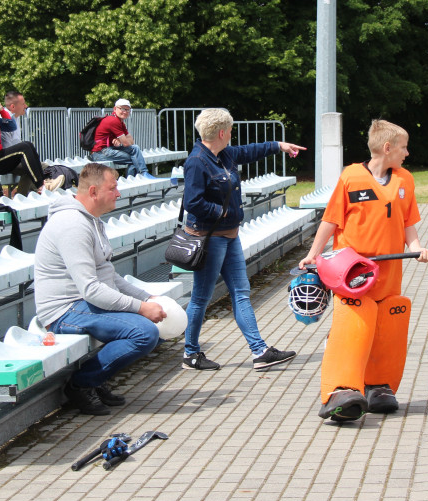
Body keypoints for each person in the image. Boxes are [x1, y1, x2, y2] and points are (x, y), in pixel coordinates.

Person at [299, 119, 428, 422]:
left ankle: (378, 386)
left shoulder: (405, 181)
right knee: (353, 327)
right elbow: (330, 220)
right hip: (353, 274)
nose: (407, 153)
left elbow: (408, 224)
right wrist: (313, 255)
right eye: (403, 148)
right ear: (387, 148)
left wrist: (417, 248)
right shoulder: (351, 177)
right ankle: (340, 390)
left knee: (386, 329)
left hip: (390, 274)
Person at [34, 163, 167, 415]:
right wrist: (141, 308)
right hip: (64, 311)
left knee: (160, 322)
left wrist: (148, 298)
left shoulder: (92, 220)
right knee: (145, 332)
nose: (118, 193)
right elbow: (91, 289)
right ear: (93, 192)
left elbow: (109, 275)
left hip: (83, 304)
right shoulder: (72, 225)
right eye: (113, 188)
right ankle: (81, 384)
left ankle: (96, 379)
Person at [181, 107, 307, 371]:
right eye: (230, 130)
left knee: (241, 292)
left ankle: (259, 351)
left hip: (230, 237)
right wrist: (222, 212)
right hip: (210, 239)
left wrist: (279, 145)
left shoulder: (224, 154)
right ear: (222, 132)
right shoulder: (197, 161)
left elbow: (250, 151)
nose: (232, 135)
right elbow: (192, 202)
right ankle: (190, 354)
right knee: (201, 298)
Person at [91, 99, 158, 179]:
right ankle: (138, 177)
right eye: (122, 109)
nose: (125, 112)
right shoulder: (113, 121)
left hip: (108, 150)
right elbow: (126, 143)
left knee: (135, 148)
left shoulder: (120, 122)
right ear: (115, 109)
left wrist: (119, 140)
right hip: (100, 153)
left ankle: (141, 175)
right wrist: (123, 140)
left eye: (128, 110)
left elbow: (131, 141)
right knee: (135, 159)